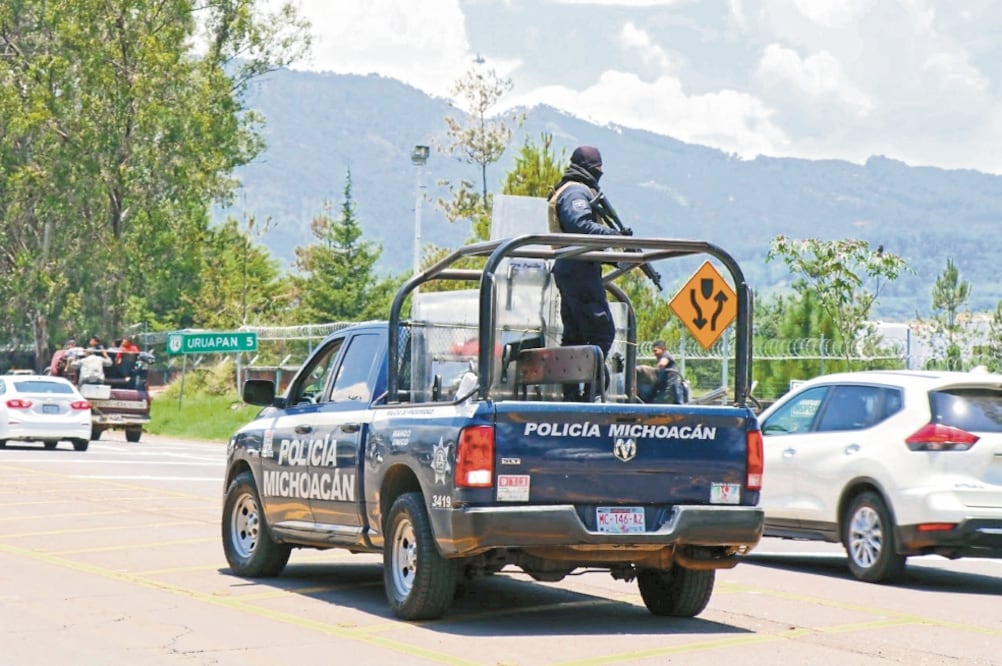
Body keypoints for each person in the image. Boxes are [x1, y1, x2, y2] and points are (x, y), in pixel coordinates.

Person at [547, 145, 629, 400]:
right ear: (589, 168)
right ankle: (588, 391)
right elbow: (579, 225)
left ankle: (573, 393)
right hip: (578, 268)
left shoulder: (575, 188)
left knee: (576, 335)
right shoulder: (575, 191)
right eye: (598, 169)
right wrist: (614, 236)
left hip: (575, 267)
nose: (600, 174)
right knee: (601, 331)